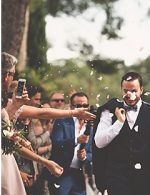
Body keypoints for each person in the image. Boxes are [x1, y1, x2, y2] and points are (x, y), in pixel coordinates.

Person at [1, 52, 95, 195]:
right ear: (6, 75)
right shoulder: (9, 106)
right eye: (13, 74)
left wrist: (74, 113)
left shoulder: (7, 104)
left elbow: (42, 113)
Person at [94, 71, 150, 195]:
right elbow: (99, 142)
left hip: (145, 175)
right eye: (126, 91)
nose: (129, 94)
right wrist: (119, 123)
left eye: (134, 91)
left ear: (142, 90)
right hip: (116, 176)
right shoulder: (109, 110)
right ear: (121, 90)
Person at [45, 92, 93, 195]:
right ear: (71, 107)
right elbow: (56, 143)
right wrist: (76, 140)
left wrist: (85, 157)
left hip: (80, 176)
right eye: (78, 106)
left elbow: (93, 153)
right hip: (62, 173)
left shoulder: (91, 126)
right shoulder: (62, 121)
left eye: (85, 106)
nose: (82, 108)